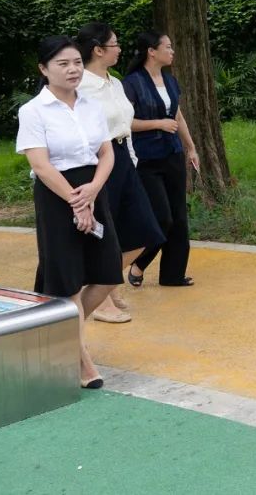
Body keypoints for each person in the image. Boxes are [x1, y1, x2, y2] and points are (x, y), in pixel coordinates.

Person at [16, 35, 122, 388]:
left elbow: (106, 153)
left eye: (76, 62)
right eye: (63, 64)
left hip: (93, 188)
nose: (73, 69)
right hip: (57, 194)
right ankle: (81, 361)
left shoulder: (91, 105)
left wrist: (93, 190)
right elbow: (41, 165)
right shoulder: (33, 111)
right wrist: (77, 201)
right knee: (69, 279)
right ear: (44, 69)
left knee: (108, 271)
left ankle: (58, 332)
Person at [75, 22, 167, 322]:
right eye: (114, 43)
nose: (120, 48)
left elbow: (124, 125)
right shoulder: (81, 85)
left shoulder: (114, 83)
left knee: (144, 231)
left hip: (123, 157)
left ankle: (106, 285)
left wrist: (131, 160)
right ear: (98, 50)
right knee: (102, 233)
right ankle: (101, 301)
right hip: (96, 161)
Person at [122, 31, 199, 287]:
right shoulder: (132, 83)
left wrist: (191, 148)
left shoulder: (170, 80)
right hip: (147, 159)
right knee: (162, 217)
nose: (172, 51)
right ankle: (139, 263)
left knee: (179, 218)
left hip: (173, 154)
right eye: (168, 46)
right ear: (151, 51)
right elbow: (125, 122)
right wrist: (157, 123)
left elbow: (177, 116)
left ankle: (172, 275)